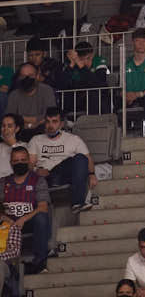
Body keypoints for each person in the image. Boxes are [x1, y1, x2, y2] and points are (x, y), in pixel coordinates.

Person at [28, 107, 96, 213]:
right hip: (45, 176)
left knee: (80, 158)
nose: (50, 125)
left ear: (61, 124)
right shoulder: (36, 140)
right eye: (48, 122)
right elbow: (30, 163)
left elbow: (87, 159)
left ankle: (77, 203)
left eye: (54, 122)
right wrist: (36, 170)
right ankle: (55, 181)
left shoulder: (73, 139)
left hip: (65, 173)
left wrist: (92, 174)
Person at [2, 145, 50, 275]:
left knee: (42, 217)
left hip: (29, 222)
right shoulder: (3, 182)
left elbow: (43, 206)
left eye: (23, 160)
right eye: (16, 161)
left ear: (29, 160)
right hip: (8, 224)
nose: (20, 163)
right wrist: (7, 219)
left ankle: (39, 263)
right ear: (11, 162)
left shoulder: (38, 180)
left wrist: (24, 219)